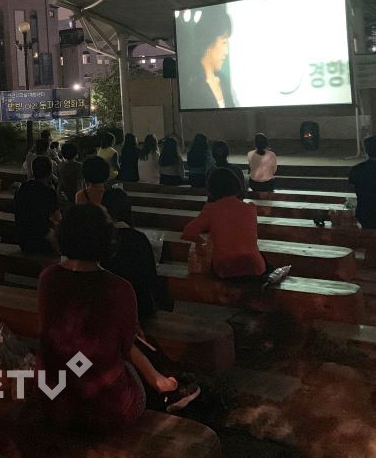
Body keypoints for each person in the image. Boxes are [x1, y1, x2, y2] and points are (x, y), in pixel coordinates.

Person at [37, 204, 193, 431]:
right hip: (107, 409)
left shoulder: (48, 278)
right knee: (129, 368)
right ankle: (162, 390)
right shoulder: (119, 288)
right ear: (107, 239)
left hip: (52, 398)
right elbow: (126, 347)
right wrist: (157, 379)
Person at [100, 187, 172, 320]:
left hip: (107, 306)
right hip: (140, 306)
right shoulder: (139, 239)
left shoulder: (101, 238)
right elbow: (150, 275)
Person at [181, 169, 267, 280]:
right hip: (255, 267)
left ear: (211, 189)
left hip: (226, 268)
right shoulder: (250, 208)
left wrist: (201, 242)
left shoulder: (212, 209)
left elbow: (188, 233)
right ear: (236, 185)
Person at [180, 3, 234, 109]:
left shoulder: (223, 81)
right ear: (209, 43)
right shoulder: (192, 83)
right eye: (224, 42)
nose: (226, 52)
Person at [13, 156, 61, 254]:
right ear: (50, 172)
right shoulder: (49, 192)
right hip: (40, 239)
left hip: (22, 239)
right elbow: (57, 218)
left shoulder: (23, 187)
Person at [57, 142, 84, 206]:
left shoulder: (61, 166)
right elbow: (80, 183)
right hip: (79, 195)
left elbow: (60, 183)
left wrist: (58, 196)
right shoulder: (80, 166)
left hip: (67, 196)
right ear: (76, 153)